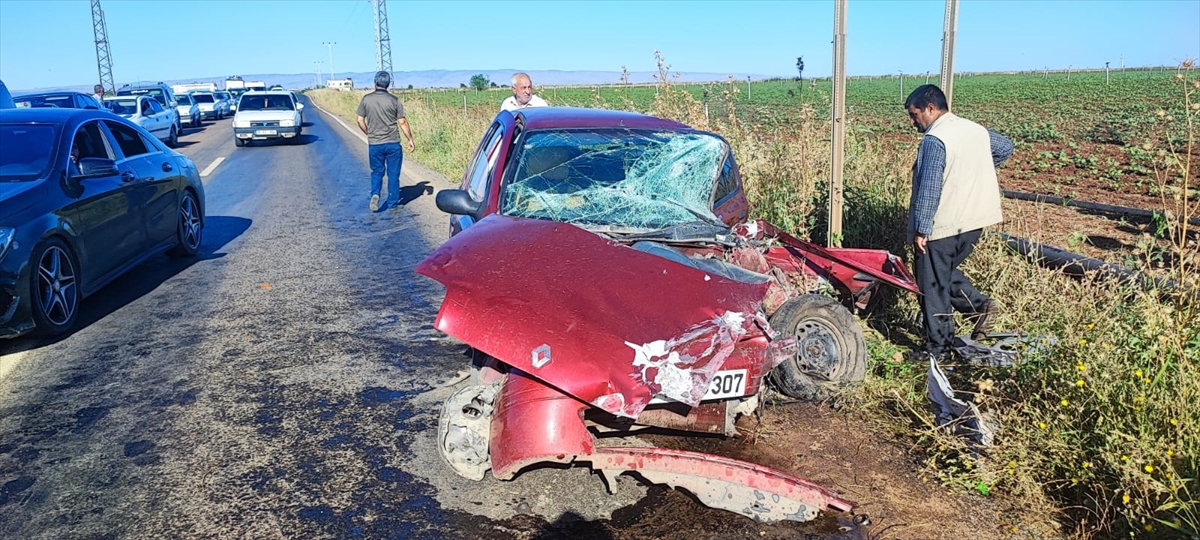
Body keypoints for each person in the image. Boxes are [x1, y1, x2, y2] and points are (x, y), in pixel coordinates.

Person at [903, 84, 1013, 360]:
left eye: (915, 115)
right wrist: (971, 169)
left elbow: (929, 189)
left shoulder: (935, 139)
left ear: (930, 108)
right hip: (975, 221)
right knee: (943, 273)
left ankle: (938, 349)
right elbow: (1005, 148)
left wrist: (921, 229)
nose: (913, 122)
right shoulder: (974, 129)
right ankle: (979, 307)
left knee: (931, 284)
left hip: (944, 224)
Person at [356, 71, 415, 212]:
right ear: (388, 84)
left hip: (375, 143)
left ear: (375, 83)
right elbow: (402, 122)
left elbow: (359, 120)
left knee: (377, 171)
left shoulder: (366, 99)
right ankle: (392, 202)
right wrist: (410, 139)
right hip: (393, 143)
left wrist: (368, 133)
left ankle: (375, 193)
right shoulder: (394, 100)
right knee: (393, 174)